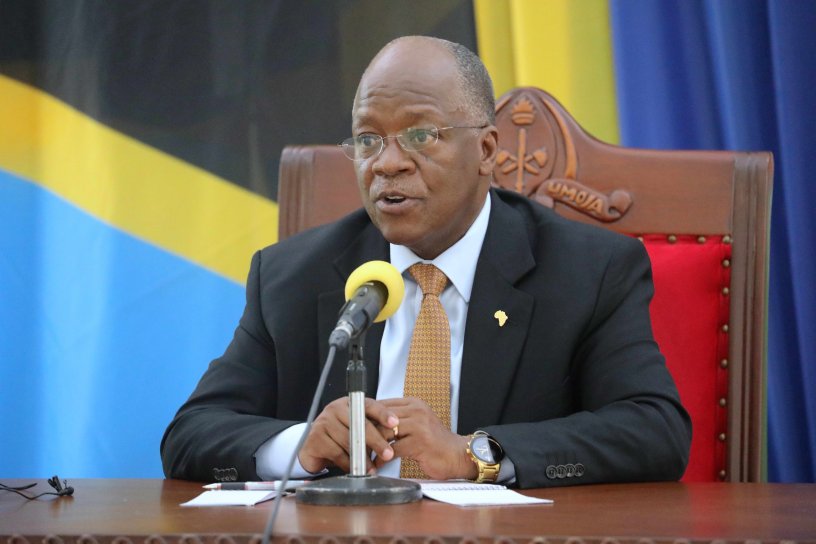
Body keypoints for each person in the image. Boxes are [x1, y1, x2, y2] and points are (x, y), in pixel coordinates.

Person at [161, 36, 691, 488]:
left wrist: (474, 454)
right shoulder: (290, 276)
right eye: (368, 140)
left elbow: (655, 431)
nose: (387, 164)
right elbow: (191, 434)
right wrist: (304, 445)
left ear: (487, 151)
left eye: (421, 135)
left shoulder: (589, 270)